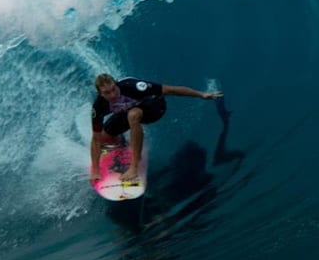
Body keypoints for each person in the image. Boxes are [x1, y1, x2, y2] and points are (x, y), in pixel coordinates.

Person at [91, 74, 223, 185]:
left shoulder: (133, 87)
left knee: (133, 114)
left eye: (114, 89)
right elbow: (96, 140)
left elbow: (171, 90)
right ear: (100, 94)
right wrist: (96, 169)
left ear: (116, 84)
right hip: (127, 112)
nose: (113, 94)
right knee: (104, 138)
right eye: (107, 93)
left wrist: (202, 94)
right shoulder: (99, 106)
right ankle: (122, 143)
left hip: (154, 108)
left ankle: (134, 166)